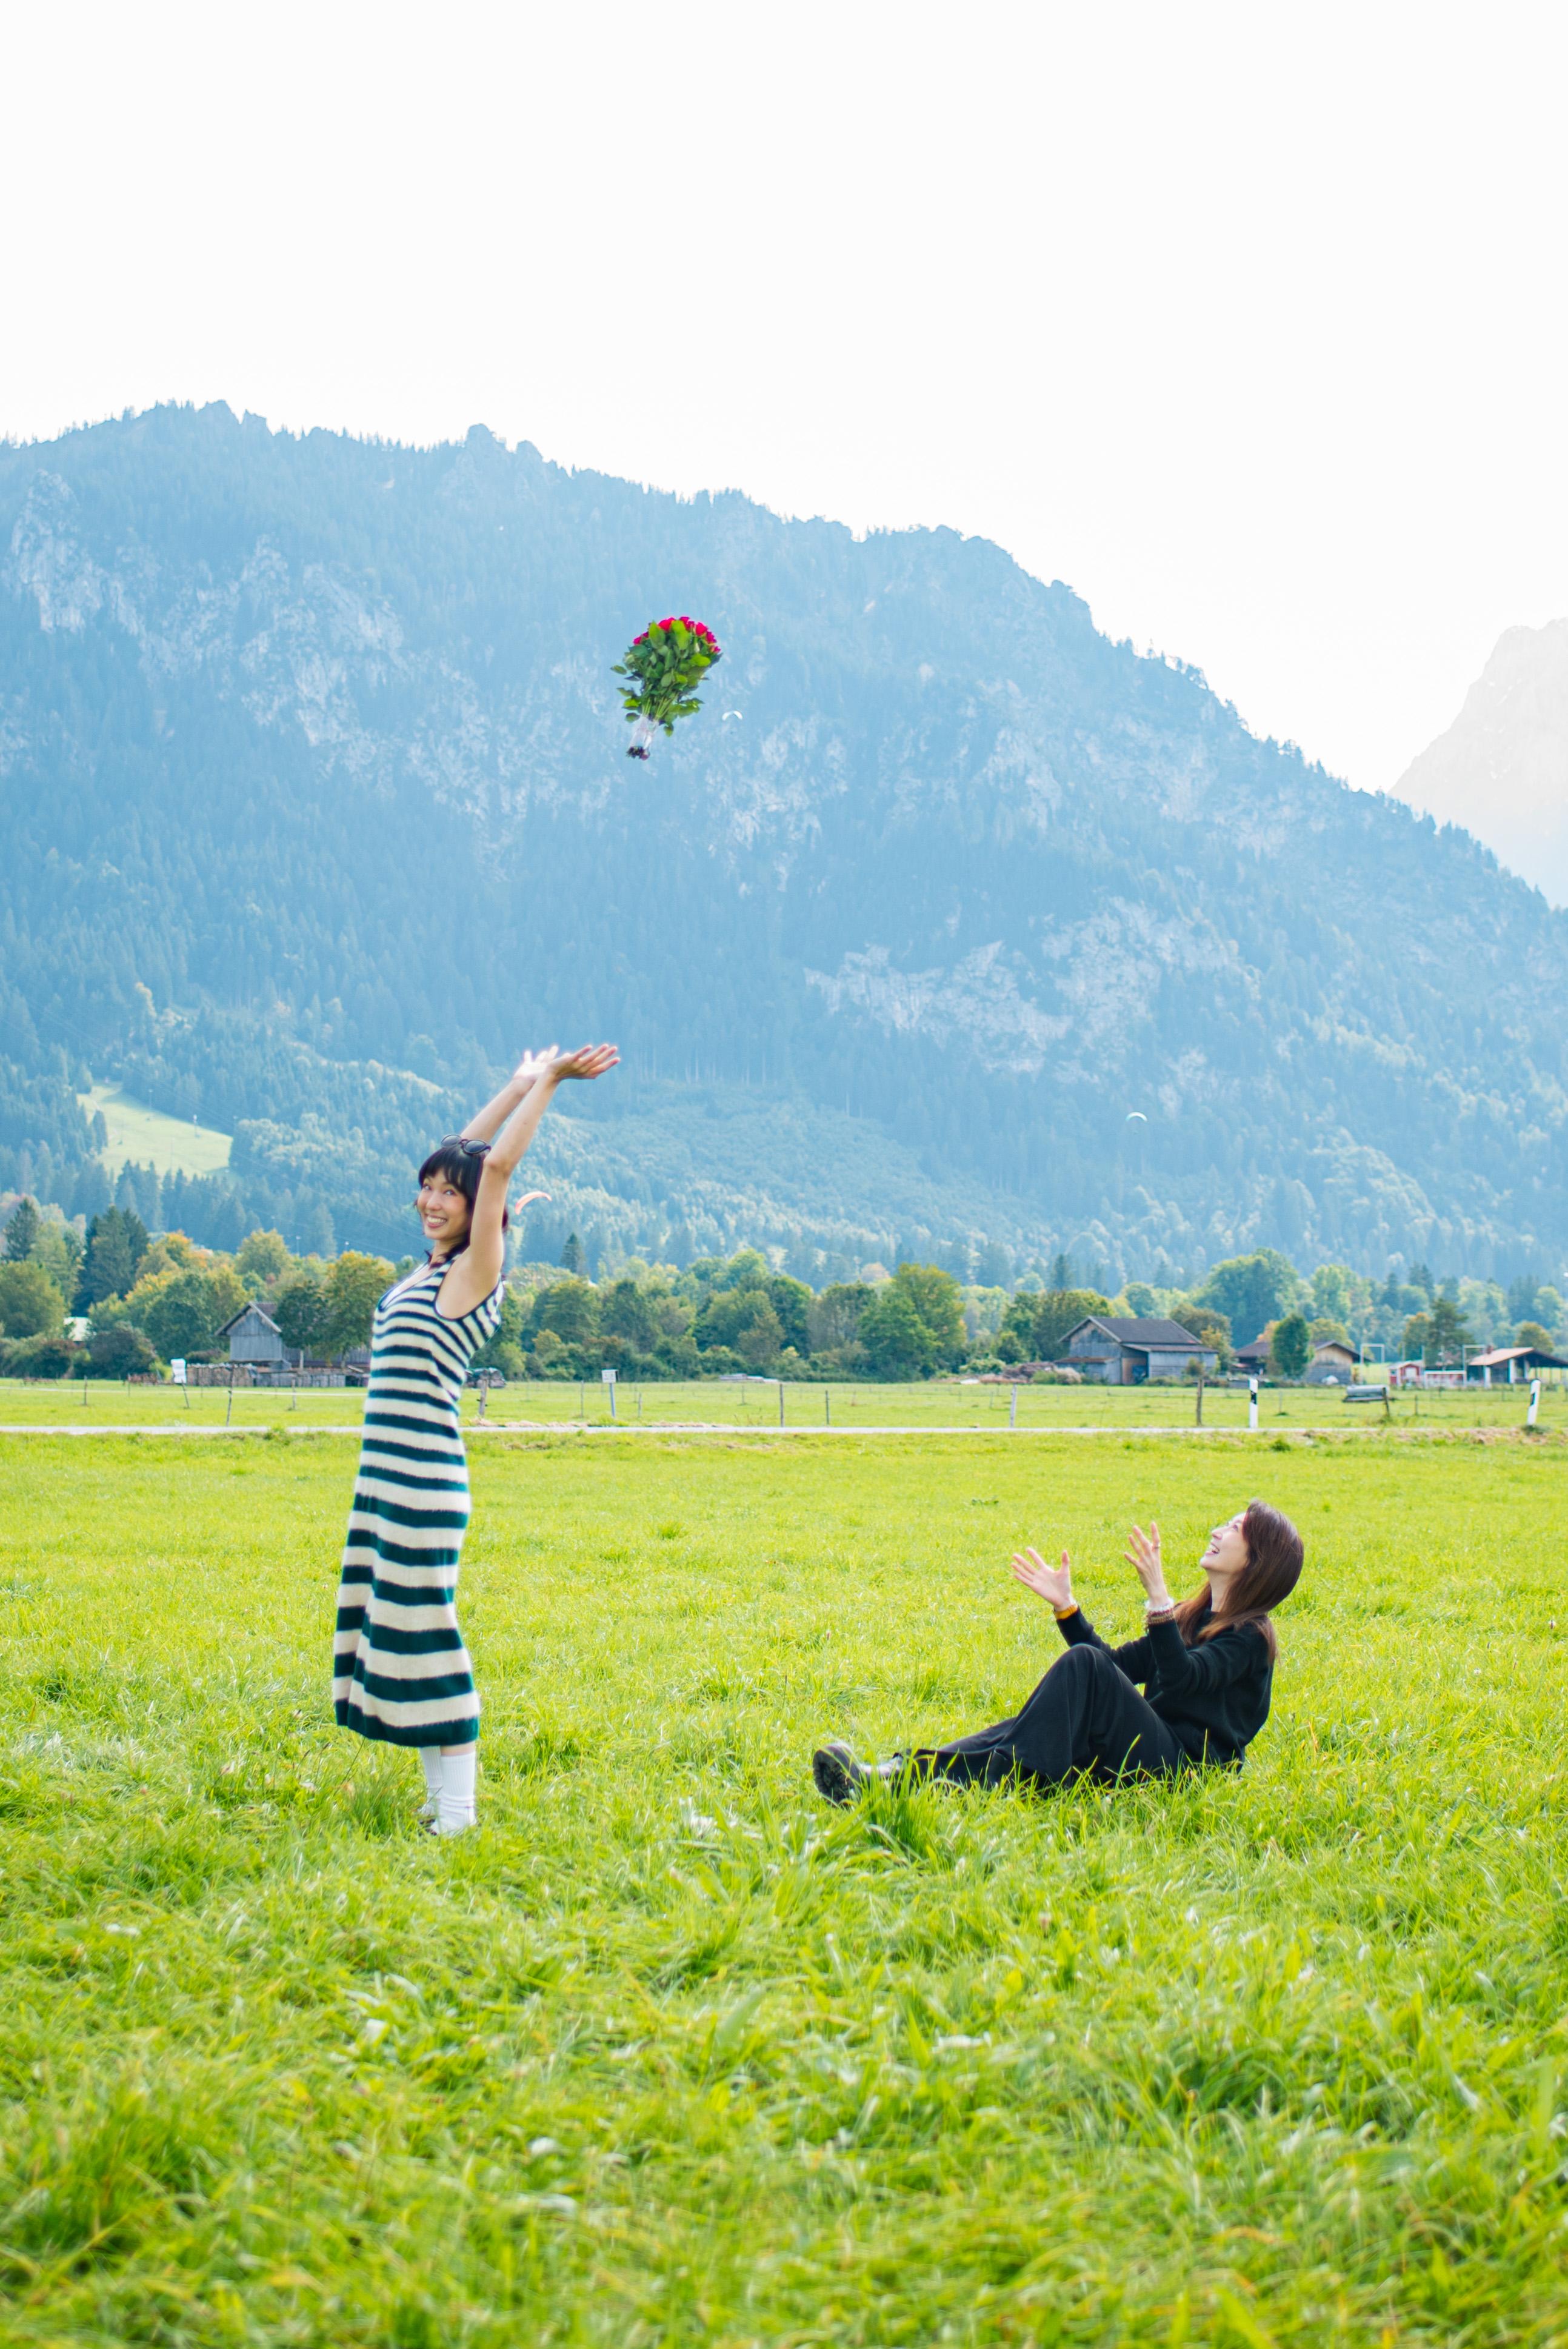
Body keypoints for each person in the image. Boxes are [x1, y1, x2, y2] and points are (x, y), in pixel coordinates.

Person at [332, 1041, 618, 1832]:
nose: (432, 1199)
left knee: (431, 1638)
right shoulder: (427, 1271)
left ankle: (457, 1813)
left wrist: (548, 1085)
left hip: (423, 1484)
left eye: (446, 1193)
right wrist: (513, 1084)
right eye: (426, 1186)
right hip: (386, 1484)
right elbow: (467, 1153)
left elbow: (491, 1169)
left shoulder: (472, 1274)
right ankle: (437, 1805)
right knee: (403, 1640)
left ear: (476, 1211)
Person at [812, 1501, 1303, 1804]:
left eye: (1234, 1528)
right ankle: (895, 1776)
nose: (1217, 1531)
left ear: (1257, 1560)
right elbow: (1113, 1669)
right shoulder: (1188, 1617)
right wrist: (1067, 1609)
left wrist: (1158, 1599)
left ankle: (921, 1781)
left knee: (1051, 1712)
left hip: (1181, 1772)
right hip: (1142, 1751)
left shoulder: (1250, 1637)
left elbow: (1182, 1678)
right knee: (1025, 1730)